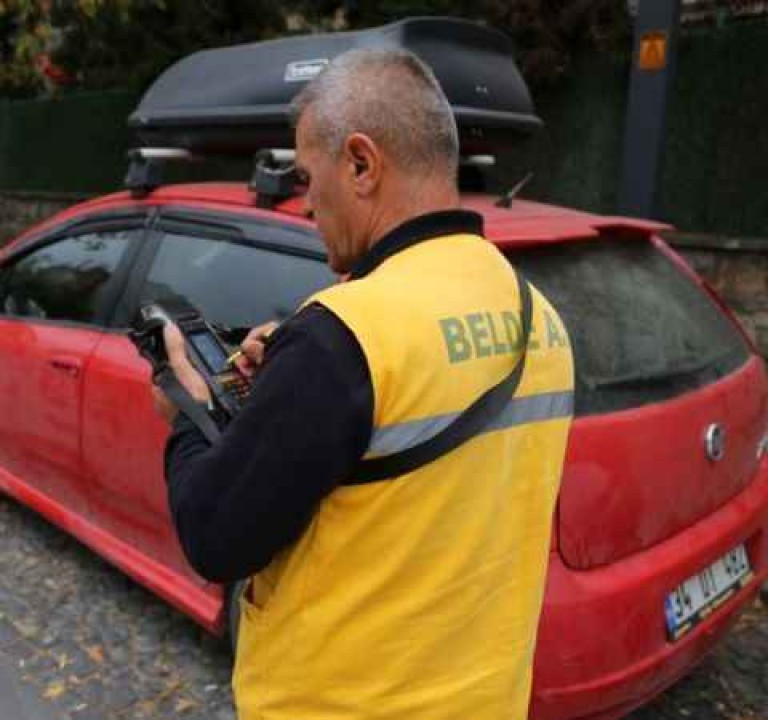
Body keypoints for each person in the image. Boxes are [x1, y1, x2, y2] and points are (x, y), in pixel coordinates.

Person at [152, 48, 575, 720]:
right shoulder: (536, 313)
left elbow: (214, 537)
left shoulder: (343, 338)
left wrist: (190, 406)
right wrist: (291, 379)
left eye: (306, 175)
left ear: (360, 163)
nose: (304, 201)